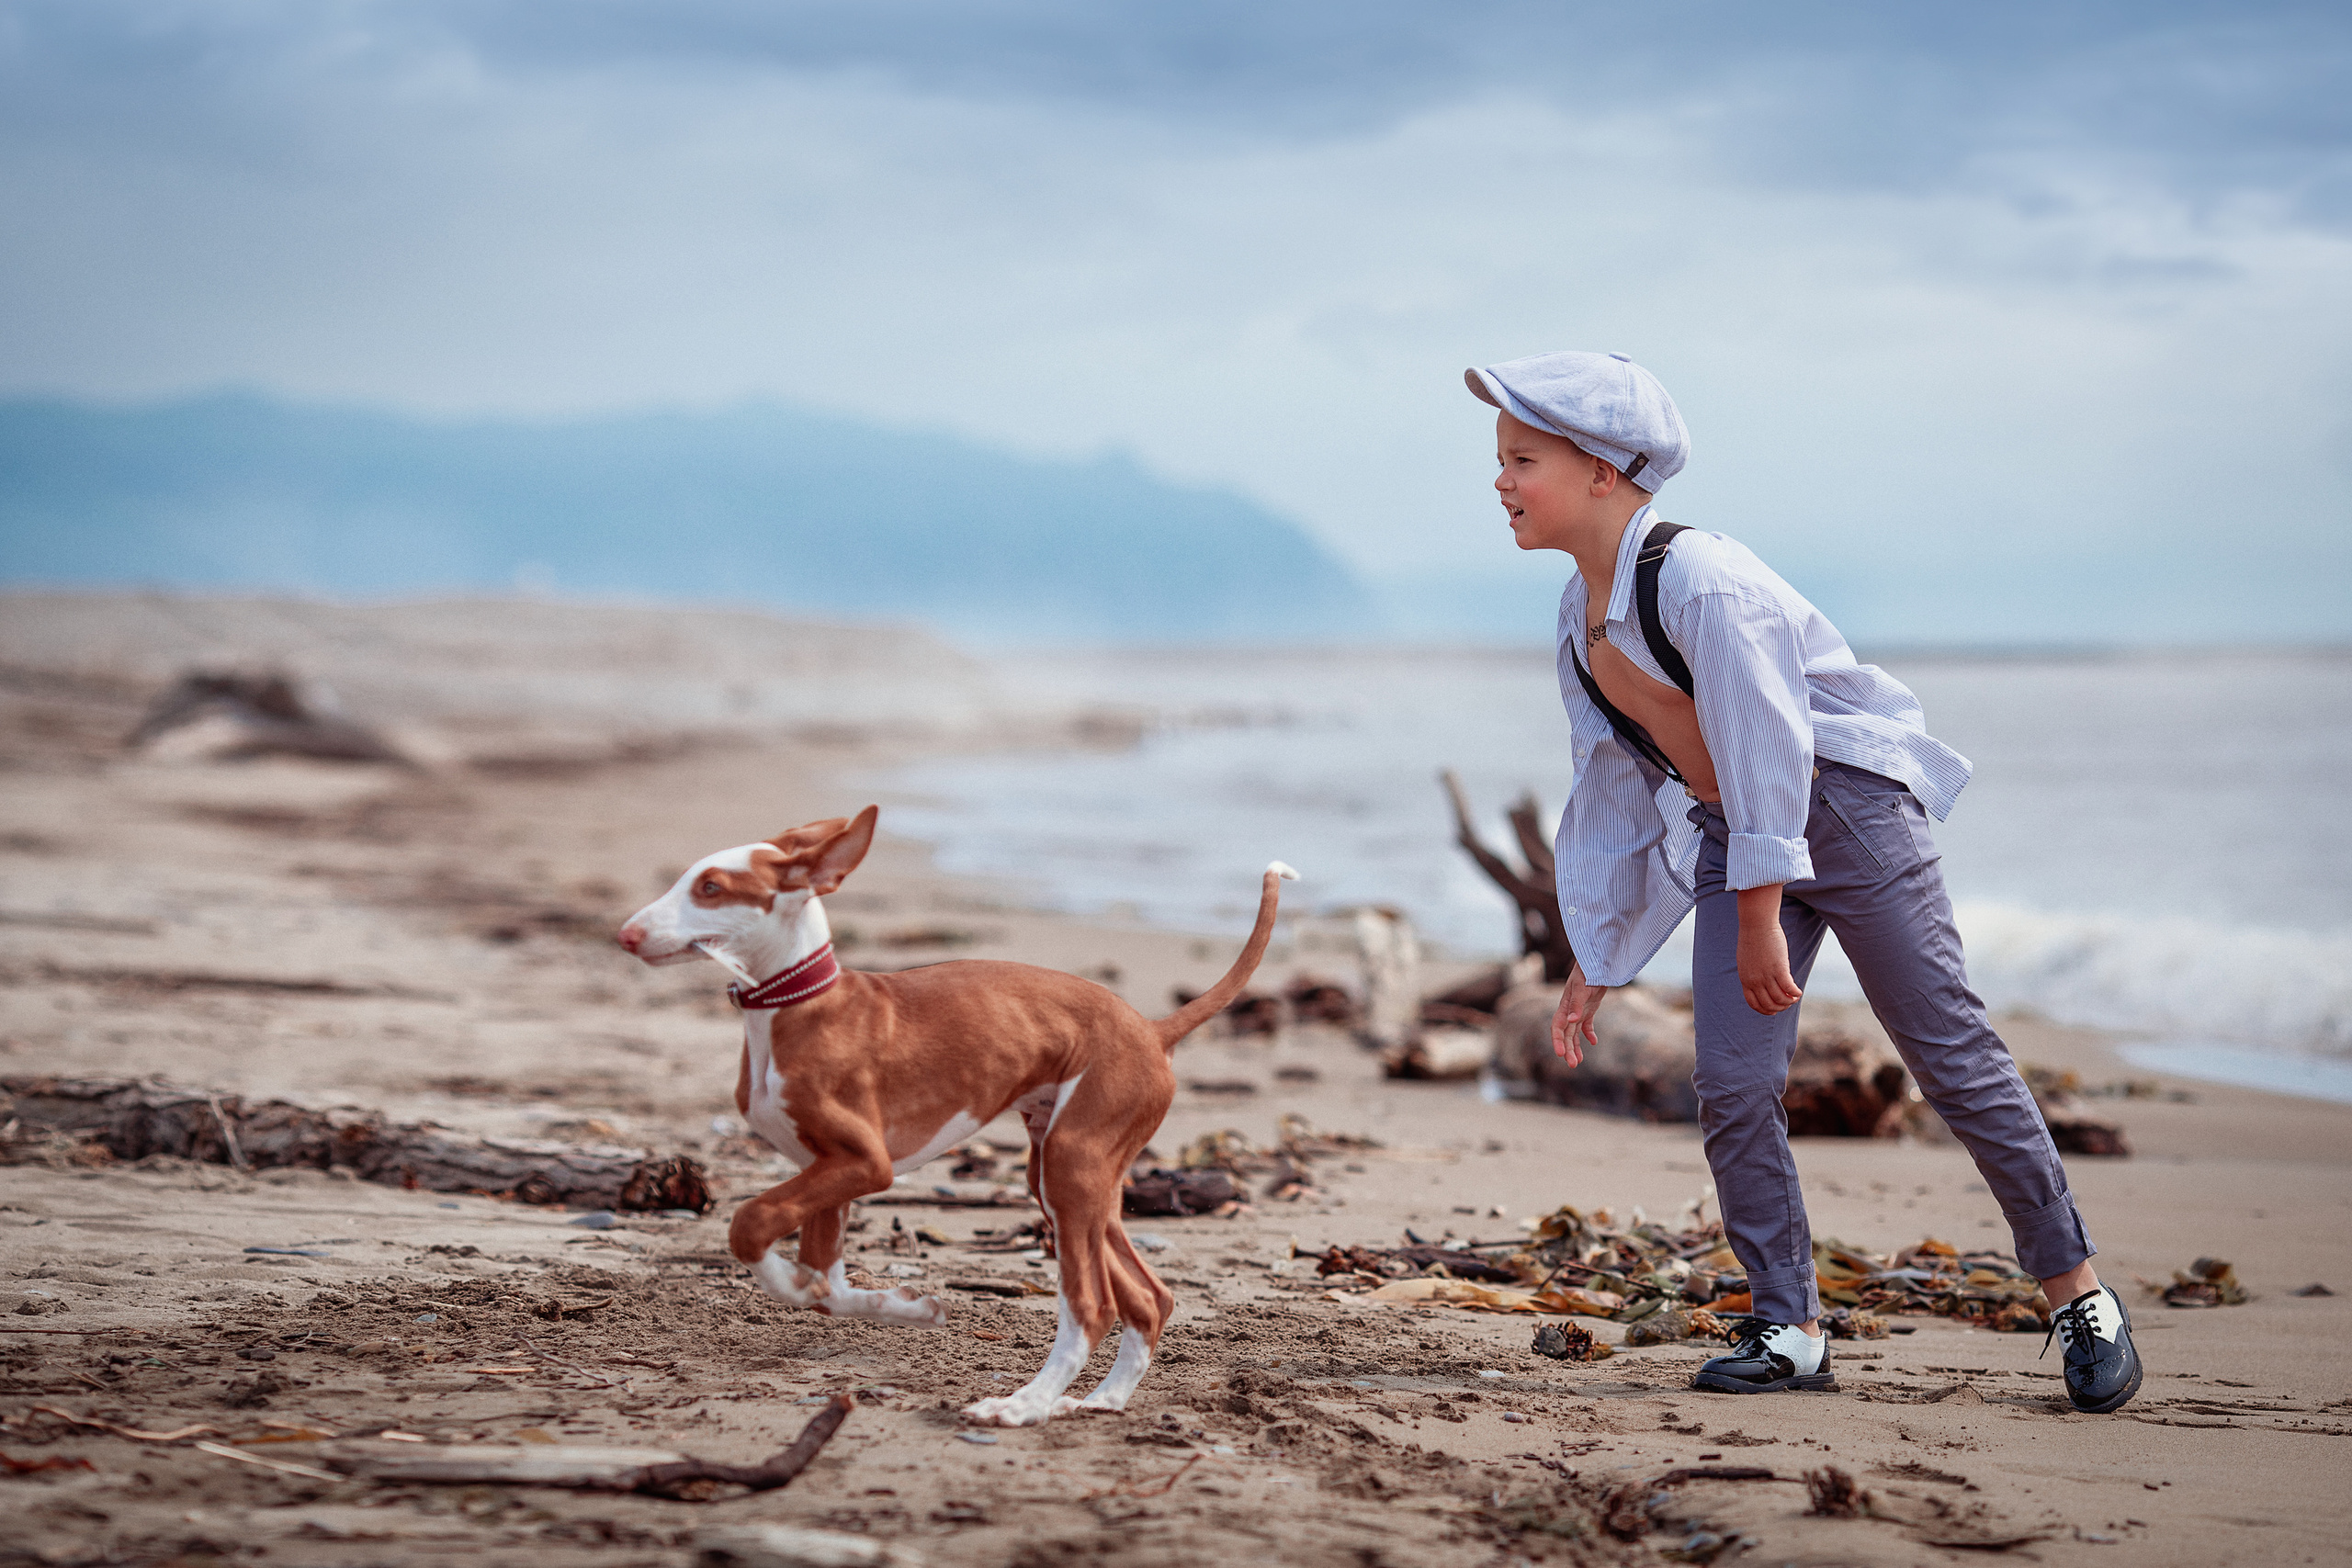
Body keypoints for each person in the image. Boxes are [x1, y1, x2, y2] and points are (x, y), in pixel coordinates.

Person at [1464, 349, 2141, 1413]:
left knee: (1950, 1057)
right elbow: (1614, 787)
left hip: (1849, 818)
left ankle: (2079, 1295)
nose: (1500, 480)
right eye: (1500, 459)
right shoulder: (1578, 616)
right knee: (1731, 1085)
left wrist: (1761, 917)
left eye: (1522, 459)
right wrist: (1597, 956)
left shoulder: (1701, 579)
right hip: (1742, 836)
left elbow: (1767, 747)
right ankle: (1789, 1327)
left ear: (1604, 470)